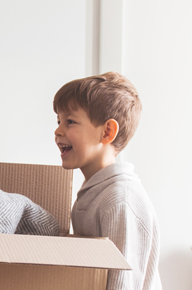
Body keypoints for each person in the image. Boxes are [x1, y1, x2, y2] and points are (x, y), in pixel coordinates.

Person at [52, 72, 162, 290]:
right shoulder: (95, 190)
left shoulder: (119, 199)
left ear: (107, 131)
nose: (57, 130)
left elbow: (123, 282)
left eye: (70, 121)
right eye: (58, 121)